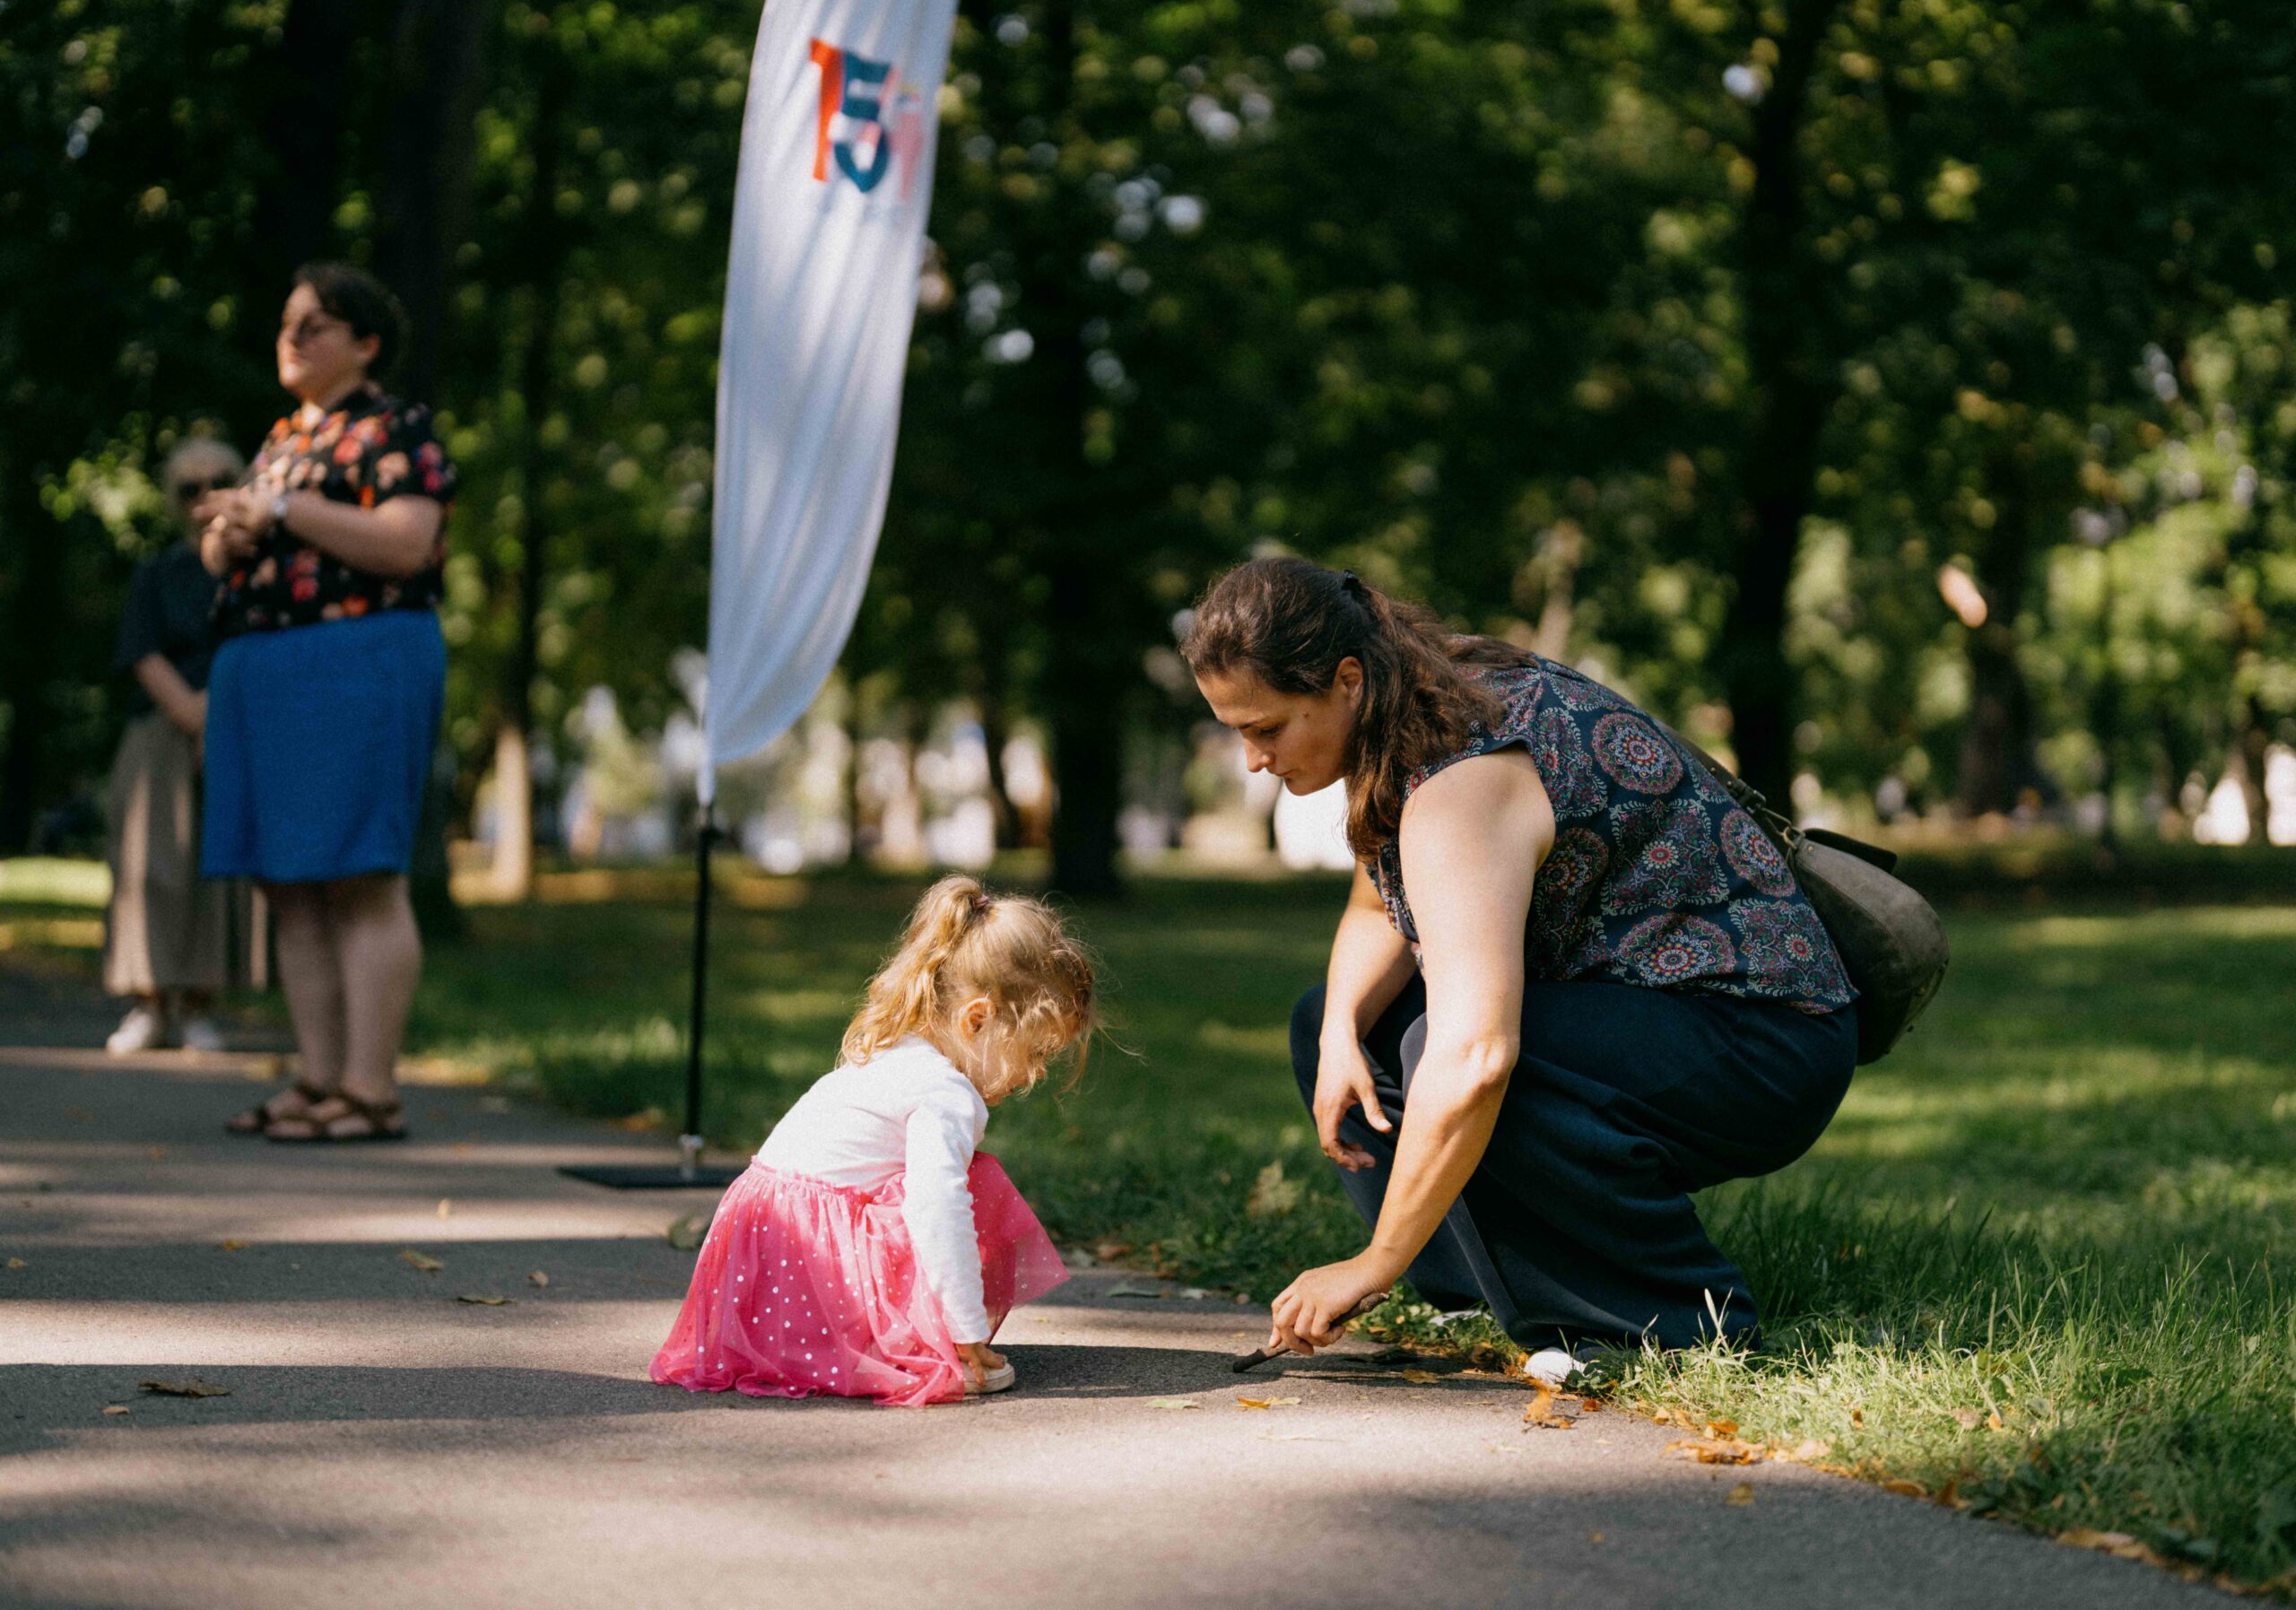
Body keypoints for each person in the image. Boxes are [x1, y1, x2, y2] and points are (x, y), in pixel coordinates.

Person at [1181, 557, 1858, 1378]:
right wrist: (1335, 1033)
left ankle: (1673, 1327)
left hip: (1766, 1037)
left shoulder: (1465, 777)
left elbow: (1477, 1054)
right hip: (1651, 1010)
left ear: (1346, 681)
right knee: (1336, 1022)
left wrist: (1373, 1261)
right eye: (1236, 731)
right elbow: (1376, 906)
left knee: (1455, 1049)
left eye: (1267, 727)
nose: (1253, 758)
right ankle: (1483, 1288)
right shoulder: (1415, 705)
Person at [649, 876, 1093, 1406]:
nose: (1035, 1073)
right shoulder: (944, 1091)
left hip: (757, 1257)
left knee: (925, 1184)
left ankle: (820, 1341)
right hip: (805, 1261)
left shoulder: (893, 1053)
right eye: (1035, 1051)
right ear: (978, 1020)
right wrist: (966, 1326)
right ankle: (921, 1347)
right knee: (977, 1183)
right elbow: (938, 1209)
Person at [201, 264, 457, 1144]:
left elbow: (406, 544)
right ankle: (317, 1081)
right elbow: (228, 559)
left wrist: (282, 509)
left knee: (360, 875)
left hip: (359, 659)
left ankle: (370, 1089)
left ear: (366, 343)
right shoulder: (280, 439)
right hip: (265, 670)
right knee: (288, 883)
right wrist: (229, 530)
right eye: (287, 322)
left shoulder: (395, 425)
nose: (293, 336)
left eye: (315, 325)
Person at [102, 439, 266, 1052]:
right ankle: (149, 1001)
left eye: (217, 481)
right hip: (160, 734)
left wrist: (218, 718)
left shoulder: (261, 571)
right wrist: (193, 715)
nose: (204, 498)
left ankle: (201, 1003)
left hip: (237, 728)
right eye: (188, 488)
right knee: (150, 869)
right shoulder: (158, 573)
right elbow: (141, 652)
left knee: (221, 875)